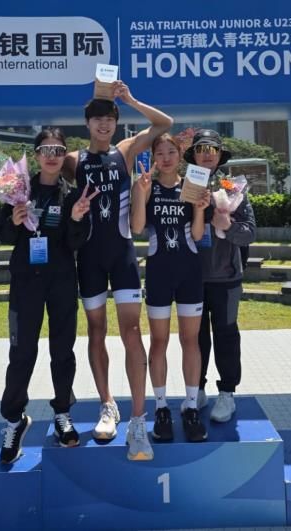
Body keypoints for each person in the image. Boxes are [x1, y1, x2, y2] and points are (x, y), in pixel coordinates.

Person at [62, 81, 173, 461]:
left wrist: (130, 100)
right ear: (87, 123)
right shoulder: (73, 160)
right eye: (97, 119)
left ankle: (138, 420)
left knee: (131, 332)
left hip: (123, 256)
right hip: (89, 259)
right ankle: (107, 405)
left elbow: (164, 124)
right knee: (96, 331)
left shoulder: (125, 151)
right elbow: (45, 169)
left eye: (109, 118)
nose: (104, 124)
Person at [0, 128, 97, 464]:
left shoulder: (72, 194)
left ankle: (62, 413)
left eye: (58, 150)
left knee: (62, 350)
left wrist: (77, 218)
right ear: (36, 155)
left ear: (64, 155)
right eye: (46, 150)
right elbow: (3, 235)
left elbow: (76, 242)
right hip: (26, 282)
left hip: (61, 281)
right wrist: (14, 221)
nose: (52, 156)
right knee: (22, 352)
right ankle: (14, 420)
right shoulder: (17, 189)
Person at [130, 134, 210, 442]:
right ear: (153, 157)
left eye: (171, 152)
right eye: (160, 153)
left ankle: (191, 407)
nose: (165, 158)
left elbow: (198, 235)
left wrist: (200, 208)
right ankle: (161, 407)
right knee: (159, 341)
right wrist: (141, 194)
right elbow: (138, 228)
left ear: (180, 155)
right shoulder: (147, 186)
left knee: (191, 340)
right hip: (159, 275)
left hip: (189, 273)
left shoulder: (191, 186)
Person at [183, 129, 256, 423]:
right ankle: (196, 389)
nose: (207, 154)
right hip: (192, 276)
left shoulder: (231, 185)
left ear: (220, 155)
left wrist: (226, 226)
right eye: (201, 149)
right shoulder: (184, 184)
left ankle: (227, 392)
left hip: (226, 277)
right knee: (195, 338)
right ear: (193, 155)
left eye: (212, 149)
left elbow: (249, 232)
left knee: (226, 335)